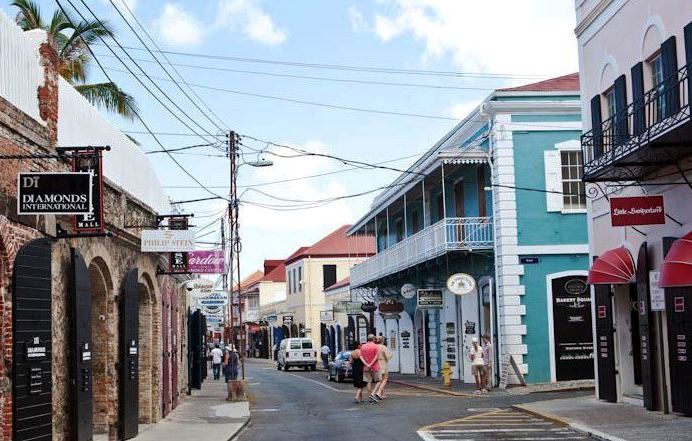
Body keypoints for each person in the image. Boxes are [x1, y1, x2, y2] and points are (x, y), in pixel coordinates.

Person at [359, 334, 381, 403]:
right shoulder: (375, 346)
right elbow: (376, 356)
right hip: (375, 366)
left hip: (366, 367)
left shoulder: (363, 346)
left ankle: (370, 398)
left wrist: (366, 364)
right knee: (379, 381)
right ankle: (373, 393)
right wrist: (371, 364)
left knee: (369, 381)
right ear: (373, 339)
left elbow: (361, 357)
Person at [372, 336, 392, 400]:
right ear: (382, 341)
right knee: (385, 378)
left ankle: (382, 394)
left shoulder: (374, 347)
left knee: (380, 379)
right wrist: (391, 354)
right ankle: (378, 392)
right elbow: (387, 357)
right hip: (383, 364)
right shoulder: (383, 347)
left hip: (376, 364)